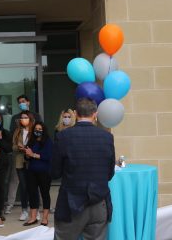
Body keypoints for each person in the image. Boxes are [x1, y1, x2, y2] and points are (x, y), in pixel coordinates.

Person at [52, 98, 115, 240]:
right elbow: (109, 173)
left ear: (75, 114)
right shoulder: (107, 137)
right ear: (95, 114)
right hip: (99, 202)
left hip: (70, 202)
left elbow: (55, 172)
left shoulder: (63, 136)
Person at [6, 95, 42, 215]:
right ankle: (12, 205)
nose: (21, 103)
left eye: (23, 101)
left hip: (33, 158)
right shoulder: (15, 119)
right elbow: (12, 135)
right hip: (19, 157)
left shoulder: (36, 116)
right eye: (19, 102)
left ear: (28, 102)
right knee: (17, 182)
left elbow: (40, 134)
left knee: (34, 183)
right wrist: (18, 145)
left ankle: (37, 206)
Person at [23, 121, 53, 226]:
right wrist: (27, 155)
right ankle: (33, 218)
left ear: (44, 130)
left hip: (44, 172)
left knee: (45, 194)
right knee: (32, 194)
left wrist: (33, 154)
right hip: (32, 171)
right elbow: (27, 157)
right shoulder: (31, 140)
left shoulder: (48, 141)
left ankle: (45, 218)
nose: (38, 131)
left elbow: (48, 156)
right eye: (36, 129)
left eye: (40, 129)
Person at [11, 111, 35, 221]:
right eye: (22, 118)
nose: (23, 119)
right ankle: (24, 210)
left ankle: (34, 209)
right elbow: (13, 146)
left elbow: (39, 144)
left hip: (32, 161)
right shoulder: (17, 131)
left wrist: (29, 150)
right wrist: (19, 147)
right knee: (23, 186)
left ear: (30, 119)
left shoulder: (34, 130)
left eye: (25, 117)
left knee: (33, 186)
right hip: (20, 161)